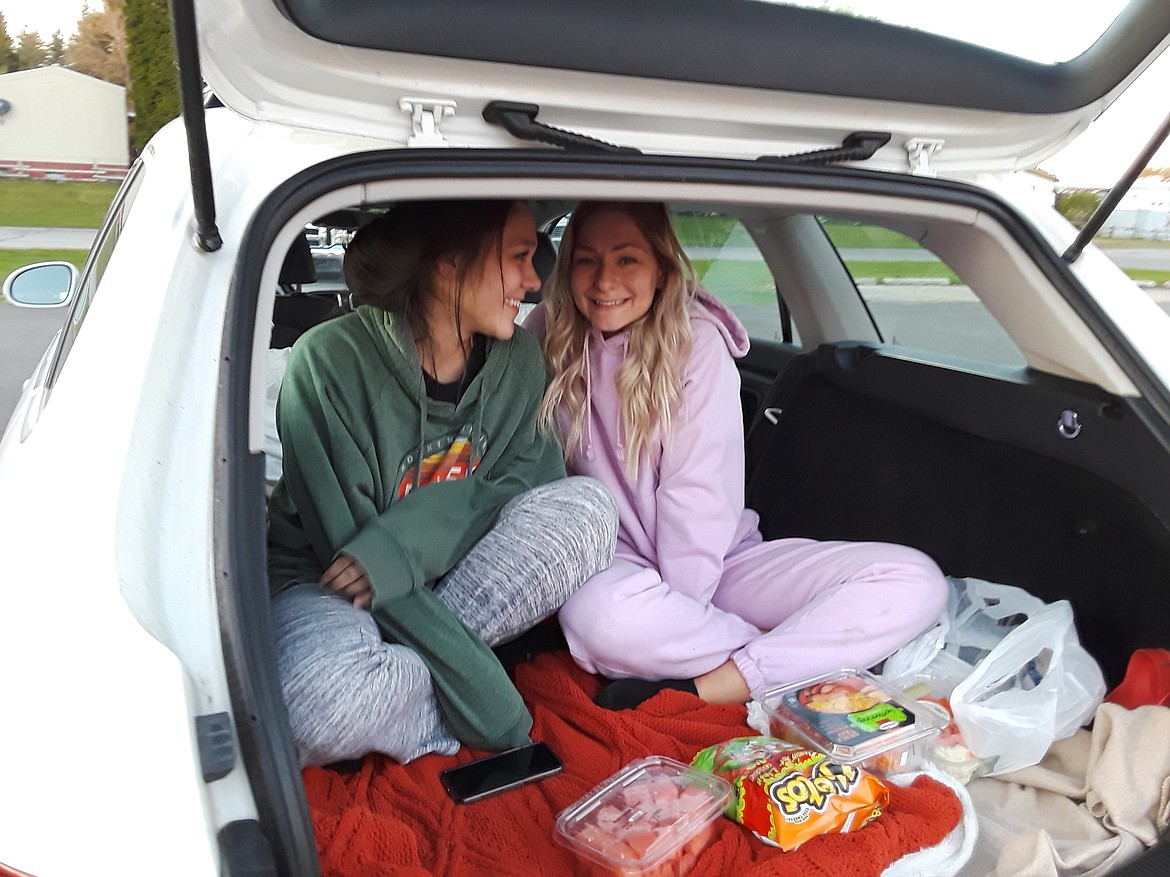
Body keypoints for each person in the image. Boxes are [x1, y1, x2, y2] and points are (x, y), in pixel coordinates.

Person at [525, 201, 947, 709]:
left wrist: (683, 616)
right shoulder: (550, 331)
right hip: (615, 561)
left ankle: (721, 683)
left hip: (721, 563)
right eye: (586, 260)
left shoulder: (697, 345)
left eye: (627, 259)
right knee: (600, 621)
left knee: (915, 579)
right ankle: (796, 650)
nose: (604, 281)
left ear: (661, 267)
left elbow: (697, 499)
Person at [267, 199, 618, 766]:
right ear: (451, 261)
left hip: (449, 577)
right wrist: (491, 700)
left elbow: (528, 482)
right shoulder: (328, 362)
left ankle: (398, 688)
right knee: (319, 704)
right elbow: (351, 553)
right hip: (327, 584)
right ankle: (419, 686)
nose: (534, 281)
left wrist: (403, 546)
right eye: (520, 257)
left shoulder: (519, 360)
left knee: (589, 511)